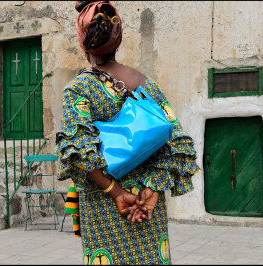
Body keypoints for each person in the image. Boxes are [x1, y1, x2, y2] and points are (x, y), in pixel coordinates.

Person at [55, 1, 200, 264]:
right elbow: (178, 144)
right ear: (118, 39)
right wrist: (153, 190)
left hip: (106, 207)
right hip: (146, 207)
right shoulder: (147, 84)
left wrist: (118, 193)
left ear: (82, 41)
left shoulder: (79, 88)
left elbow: (79, 152)